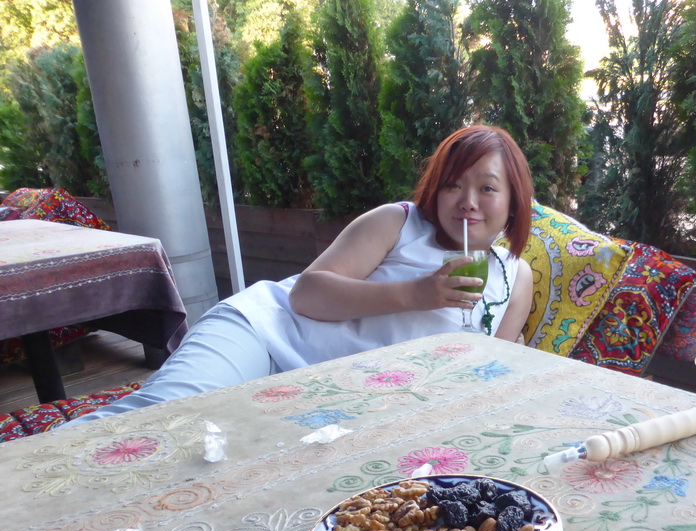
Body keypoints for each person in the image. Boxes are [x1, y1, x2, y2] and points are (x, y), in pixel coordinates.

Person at [70, 124, 535, 423]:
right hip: (265, 334)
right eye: (453, 184)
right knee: (151, 422)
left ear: (514, 200)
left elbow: (488, 367)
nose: (468, 201)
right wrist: (417, 293)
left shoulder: (515, 277)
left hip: (329, 395)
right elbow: (306, 295)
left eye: (487, 188)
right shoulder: (398, 223)